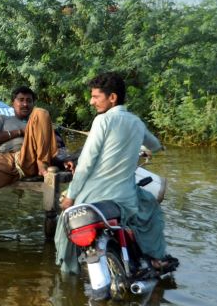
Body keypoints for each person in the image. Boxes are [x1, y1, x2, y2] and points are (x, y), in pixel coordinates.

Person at [54, 72, 168, 272]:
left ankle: (68, 273)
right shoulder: (136, 123)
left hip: (94, 196)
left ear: (112, 98)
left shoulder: (102, 121)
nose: (91, 102)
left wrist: (71, 196)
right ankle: (156, 258)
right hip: (126, 199)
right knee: (153, 212)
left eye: (96, 96)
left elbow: (86, 163)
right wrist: (157, 149)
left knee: (64, 223)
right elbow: (155, 145)